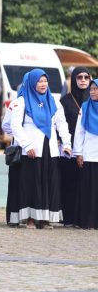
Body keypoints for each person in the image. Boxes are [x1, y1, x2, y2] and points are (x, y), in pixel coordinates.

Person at [8, 69, 71, 229]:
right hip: (31, 149)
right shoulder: (22, 101)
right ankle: (30, 218)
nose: (43, 84)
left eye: (45, 81)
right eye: (39, 81)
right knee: (31, 183)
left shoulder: (53, 101)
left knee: (48, 182)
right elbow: (15, 126)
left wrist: (67, 144)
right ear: (32, 83)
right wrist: (26, 145)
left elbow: (62, 123)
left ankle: (44, 219)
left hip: (50, 148)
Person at [59, 67, 91, 227]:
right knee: (69, 183)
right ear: (73, 79)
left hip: (90, 149)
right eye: (79, 77)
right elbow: (59, 124)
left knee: (86, 184)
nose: (83, 80)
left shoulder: (94, 99)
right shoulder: (65, 101)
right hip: (69, 149)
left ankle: (83, 217)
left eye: (86, 77)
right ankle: (69, 217)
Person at [74, 79, 98, 229]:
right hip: (89, 154)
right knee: (89, 190)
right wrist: (78, 153)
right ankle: (88, 221)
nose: (93, 91)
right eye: (92, 89)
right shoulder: (85, 107)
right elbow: (79, 131)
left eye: (96, 89)